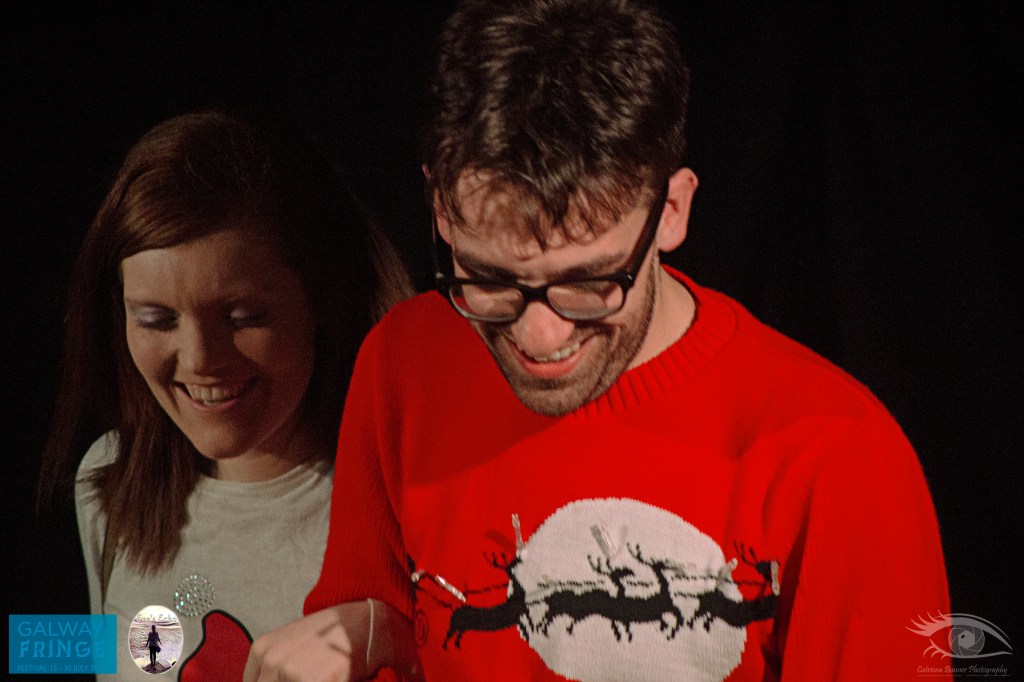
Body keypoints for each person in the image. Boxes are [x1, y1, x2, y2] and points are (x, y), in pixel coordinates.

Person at [245, 1, 950, 680]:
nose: (538, 334)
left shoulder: (839, 453)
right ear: (439, 209)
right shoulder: (403, 358)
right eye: (489, 279)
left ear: (670, 212)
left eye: (588, 282)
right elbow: (373, 634)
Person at [37, 109, 413, 680]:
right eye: (157, 319)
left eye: (243, 316)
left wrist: (391, 636)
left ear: (321, 300)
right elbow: (110, 649)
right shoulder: (107, 476)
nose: (200, 359)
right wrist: (35, 646)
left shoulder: (400, 500)